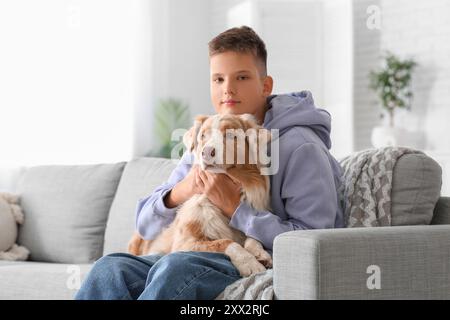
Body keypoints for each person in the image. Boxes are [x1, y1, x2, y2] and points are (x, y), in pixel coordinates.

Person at [75, 26, 344, 300]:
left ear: (265, 85)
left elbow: (314, 242)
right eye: (218, 79)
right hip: (195, 250)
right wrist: (185, 188)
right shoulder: (205, 146)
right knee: (111, 268)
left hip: (259, 256)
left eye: (241, 77)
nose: (228, 90)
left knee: (175, 268)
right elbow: (145, 225)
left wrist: (235, 208)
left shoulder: (300, 147)